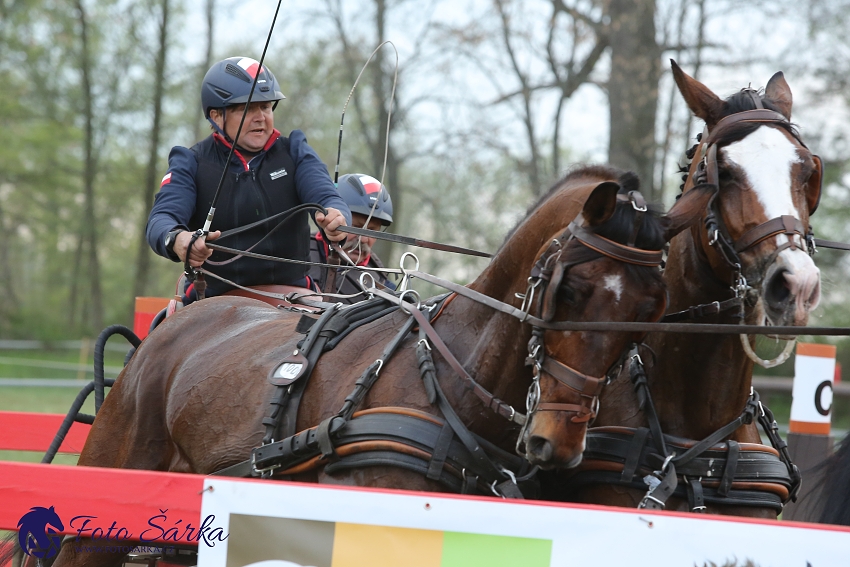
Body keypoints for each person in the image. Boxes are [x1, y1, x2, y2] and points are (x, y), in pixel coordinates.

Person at [145, 56, 350, 299]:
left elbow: (326, 196)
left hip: (295, 295)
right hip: (213, 299)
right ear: (216, 116)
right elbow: (162, 218)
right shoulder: (191, 162)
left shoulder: (295, 150)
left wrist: (337, 217)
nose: (261, 117)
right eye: (247, 108)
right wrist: (178, 239)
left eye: (265, 106)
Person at [308, 173, 396, 298]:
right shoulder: (294, 252)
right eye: (356, 228)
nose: (364, 239)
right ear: (332, 219)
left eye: (372, 231)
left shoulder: (383, 288)